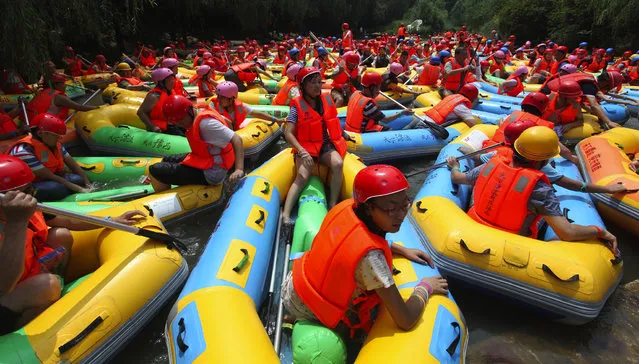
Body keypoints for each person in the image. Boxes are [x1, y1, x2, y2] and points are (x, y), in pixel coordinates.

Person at [282, 164, 448, 343]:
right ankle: (306, 323)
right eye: (391, 209)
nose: (401, 215)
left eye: (405, 204)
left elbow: (353, 240)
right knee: (363, 325)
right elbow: (405, 320)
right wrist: (424, 288)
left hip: (294, 286)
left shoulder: (345, 207)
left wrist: (401, 249)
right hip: (313, 310)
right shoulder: (372, 259)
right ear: (369, 208)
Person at [447, 126, 619, 255]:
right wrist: (599, 231)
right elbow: (567, 233)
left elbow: (458, 178)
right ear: (545, 160)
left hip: (472, 230)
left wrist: (455, 167)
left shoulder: (491, 165)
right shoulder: (541, 189)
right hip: (511, 244)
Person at [281, 67, 353, 224]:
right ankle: (285, 215)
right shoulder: (296, 107)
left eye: (318, 82)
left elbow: (332, 121)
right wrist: (302, 152)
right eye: (311, 82)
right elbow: (288, 133)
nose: (316, 86)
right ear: (303, 86)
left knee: (338, 163)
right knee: (302, 176)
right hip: (305, 146)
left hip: (325, 144)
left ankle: (332, 203)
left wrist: (344, 134)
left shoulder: (326, 99)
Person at [147, 95, 245, 193]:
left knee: (155, 170)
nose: (179, 124)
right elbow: (227, 121)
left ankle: (164, 198)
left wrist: (239, 169)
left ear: (189, 111)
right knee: (166, 159)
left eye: (181, 120)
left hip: (213, 172)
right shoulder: (198, 112)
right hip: (205, 159)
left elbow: (237, 139)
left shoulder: (206, 124)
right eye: (176, 122)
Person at [7, 114, 90, 201]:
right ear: (40, 134)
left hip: (50, 179)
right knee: (58, 189)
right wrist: (80, 189)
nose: (60, 138)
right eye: (56, 135)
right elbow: (51, 176)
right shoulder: (23, 152)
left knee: (78, 180)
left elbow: (73, 165)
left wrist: (88, 184)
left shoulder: (55, 144)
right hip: (31, 185)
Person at [345, 72, 414, 133]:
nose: (378, 91)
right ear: (372, 87)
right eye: (378, 87)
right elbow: (386, 120)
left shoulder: (355, 93)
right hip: (360, 132)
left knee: (376, 121)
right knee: (388, 129)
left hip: (349, 127)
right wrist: (402, 112)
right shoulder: (368, 105)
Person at [209, 81, 286, 130]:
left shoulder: (240, 106)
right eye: (218, 96)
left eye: (222, 97)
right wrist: (223, 119)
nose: (219, 99)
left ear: (231, 98)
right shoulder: (213, 104)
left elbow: (257, 114)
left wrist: (276, 119)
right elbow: (209, 114)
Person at [24, 73, 98, 122]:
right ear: (55, 85)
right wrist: (98, 108)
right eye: (63, 84)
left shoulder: (41, 92)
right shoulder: (59, 98)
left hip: (31, 121)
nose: (65, 86)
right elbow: (80, 107)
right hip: (42, 125)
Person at [137, 68, 181, 134]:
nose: (172, 81)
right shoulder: (154, 96)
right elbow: (140, 112)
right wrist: (153, 127)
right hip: (160, 127)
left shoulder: (170, 91)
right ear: (161, 82)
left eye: (172, 79)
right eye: (169, 79)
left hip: (172, 124)